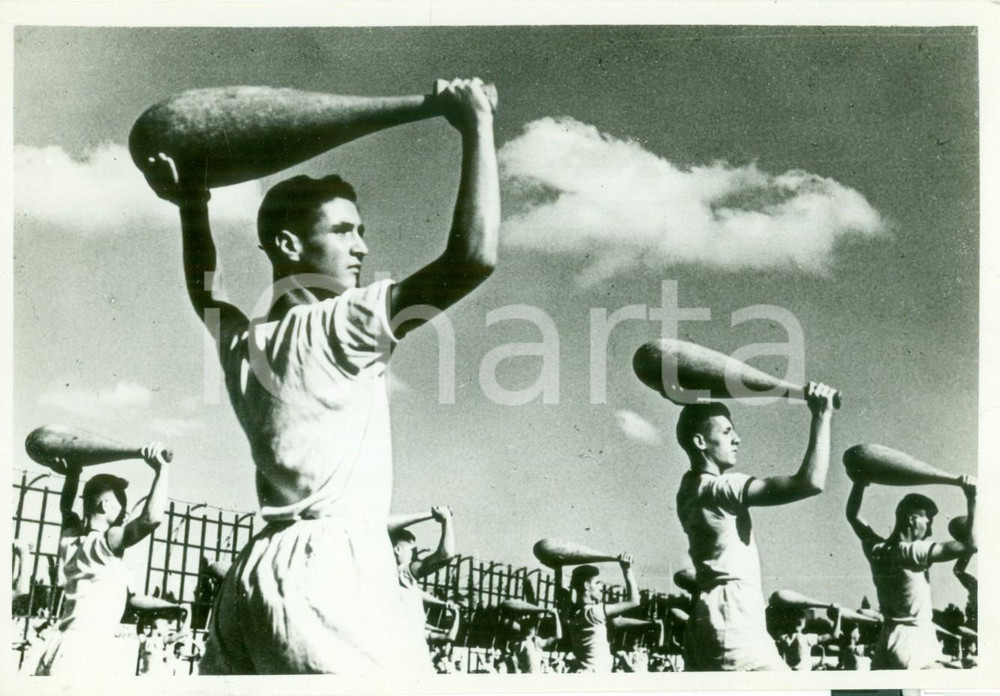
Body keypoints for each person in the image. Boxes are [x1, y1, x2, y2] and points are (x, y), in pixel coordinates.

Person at [154, 77, 499, 675]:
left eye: (361, 231)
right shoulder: (349, 320)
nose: (362, 247)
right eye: (343, 231)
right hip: (335, 578)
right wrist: (476, 126)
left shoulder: (244, 340)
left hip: (253, 580)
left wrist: (192, 203)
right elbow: (472, 258)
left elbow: (203, 288)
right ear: (288, 244)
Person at [673, 383, 837, 671]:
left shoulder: (687, 489)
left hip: (710, 619)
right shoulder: (722, 488)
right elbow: (810, 483)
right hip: (733, 620)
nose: (737, 439)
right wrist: (821, 414)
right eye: (726, 432)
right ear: (701, 442)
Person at [34, 444, 170, 676]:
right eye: (122, 507)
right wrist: (162, 471)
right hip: (88, 651)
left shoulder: (70, 538)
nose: (125, 514)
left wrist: (73, 473)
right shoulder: (107, 540)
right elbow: (152, 518)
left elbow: (66, 508)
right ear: (106, 505)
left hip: (59, 647)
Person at [845, 476, 976, 669]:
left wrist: (859, 483)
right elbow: (972, 544)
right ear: (912, 519)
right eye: (928, 521)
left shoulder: (876, 548)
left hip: (886, 642)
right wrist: (972, 497)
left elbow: (852, 516)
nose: (930, 531)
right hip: (915, 642)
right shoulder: (914, 551)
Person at [565, 554, 639, 673]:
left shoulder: (571, 612)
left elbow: (560, 591)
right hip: (596, 675)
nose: (601, 587)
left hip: (582, 672)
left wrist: (557, 567)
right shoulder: (594, 612)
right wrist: (627, 569)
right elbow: (634, 601)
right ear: (586, 586)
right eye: (597, 583)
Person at [775, 605, 841, 671]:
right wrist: (838, 615)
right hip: (804, 674)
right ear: (803, 624)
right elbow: (834, 635)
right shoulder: (806, 638)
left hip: (788, 673)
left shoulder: (782, 638)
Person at [510, 607, 562, 674]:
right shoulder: (528, 642)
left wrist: (556, 615)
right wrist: (555, 615)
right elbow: (558, 636)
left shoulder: (534, 641)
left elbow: (558, 636)